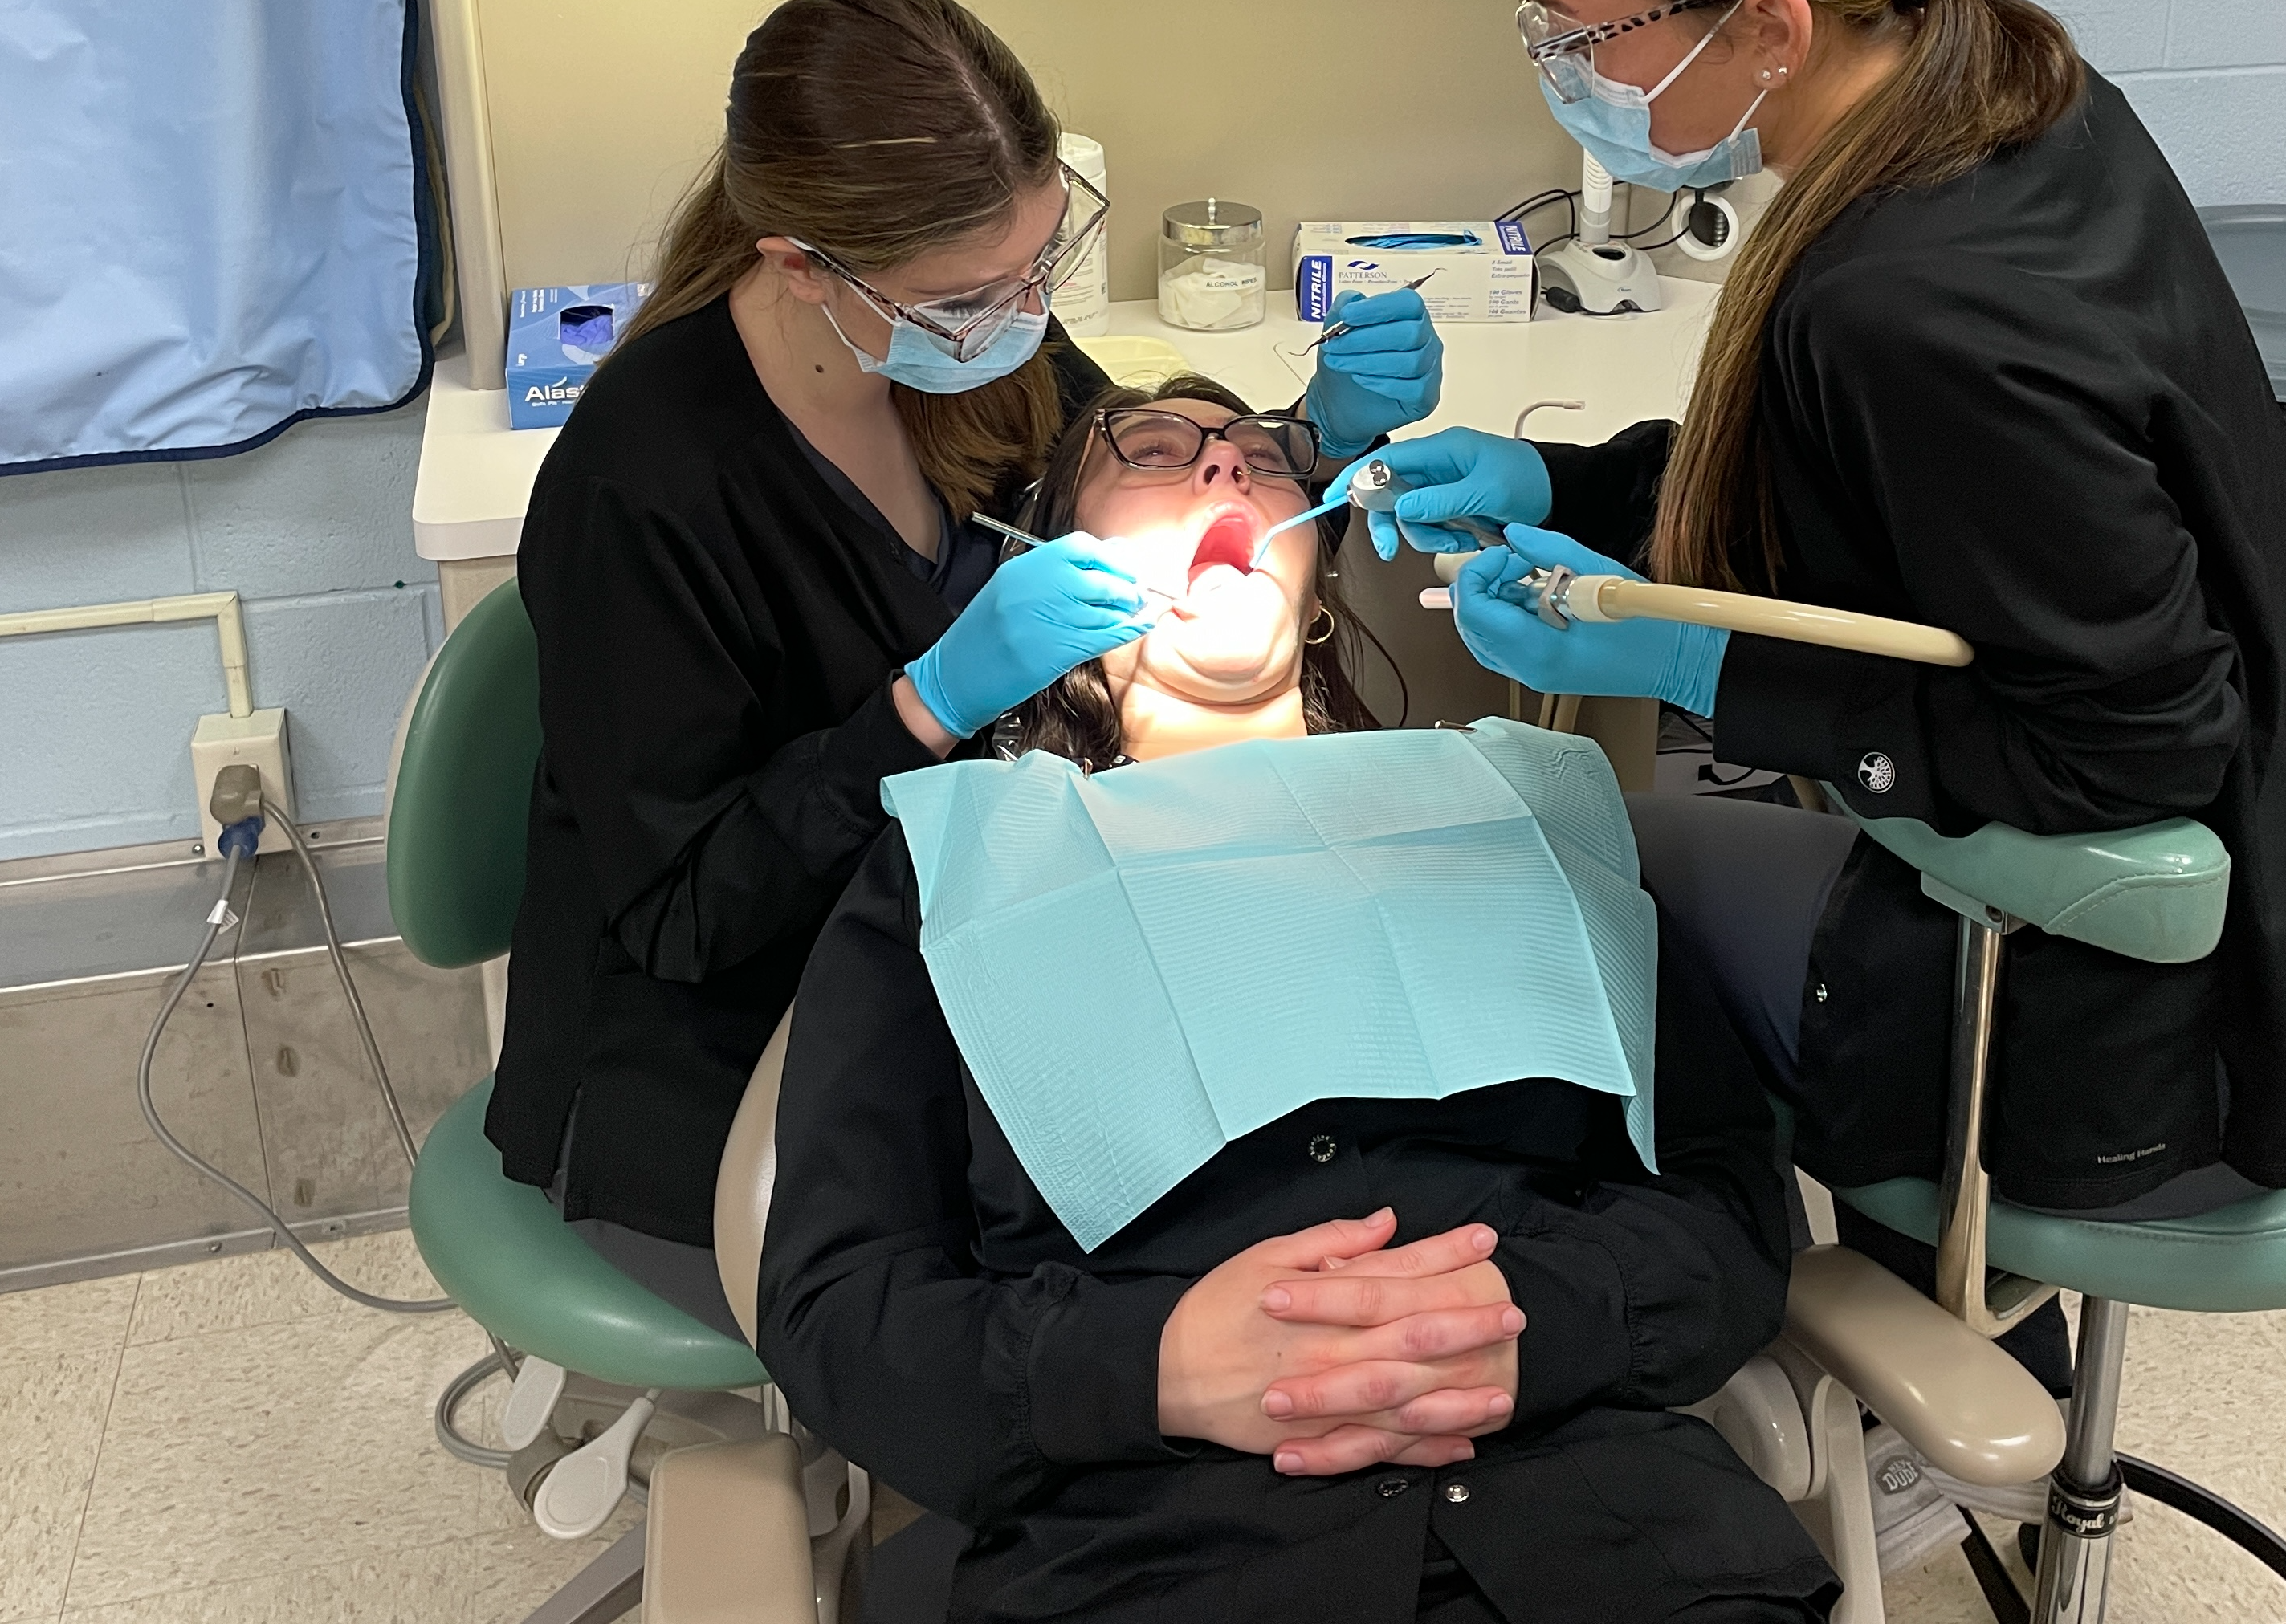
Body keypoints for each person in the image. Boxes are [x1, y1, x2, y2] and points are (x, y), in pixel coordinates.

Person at [1366, 0, 2286, 1250]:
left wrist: (1697, 670)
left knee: (1558, 878)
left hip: (2137, 1019)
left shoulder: (1911, 303)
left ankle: (1817, 1400)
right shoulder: (1994, 81)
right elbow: (1906, 496)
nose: (1558, 63)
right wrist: (1574, 484)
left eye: (1580, 31)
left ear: (1770, 24)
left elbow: (2127, 749)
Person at [757, 376, 1838, 1624]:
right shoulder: (953, 871)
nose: (1225, 470)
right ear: (1052, 564)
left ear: (1320, 571)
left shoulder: (1516, 811)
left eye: (1262, 457)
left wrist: (1537, 1322)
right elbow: (841, 1308)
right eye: (1156, 450)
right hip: (1154, 1554)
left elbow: (1726, 1200)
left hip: (1604, 1534)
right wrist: (1153, 1367)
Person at [483, 0, 1440, 1334]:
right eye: (976, 296)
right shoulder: (644, 487)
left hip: (950, 957)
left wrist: (1307, 442)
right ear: (805, 265)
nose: (1023, 314)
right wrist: (922, 707)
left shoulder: (971, 338)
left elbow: (1113, 463)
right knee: (1050, 1292)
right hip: (722, 1059)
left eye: (1042, 266)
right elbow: (685, 913)